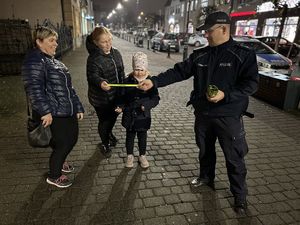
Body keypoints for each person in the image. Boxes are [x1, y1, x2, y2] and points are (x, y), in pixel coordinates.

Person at [139, 11, 259, 214]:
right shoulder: (200, 54)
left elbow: (251, 84)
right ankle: (206, 177)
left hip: (228, 116)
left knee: (234, 157)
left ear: (223, 29)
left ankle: (239, 196)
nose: (206, 35)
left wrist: (225, 95)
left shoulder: (243, 54)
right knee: (205, 150)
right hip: (203, 115)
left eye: (209, 31)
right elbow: (179, 71)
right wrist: (154, 81)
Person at [22, 26, 84, 188]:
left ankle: (60, 161)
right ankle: (54, 175)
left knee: (71, 139)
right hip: (54, 112)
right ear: (39, 42)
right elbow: (34, 88)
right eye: (51, 40)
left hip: (66, 109)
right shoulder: (35, 60)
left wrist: (78, 106)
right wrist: (45, 111)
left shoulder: (54, 61)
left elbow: (69, 88)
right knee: (64, 142)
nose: (56, 43)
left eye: (56, 40)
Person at [115, 52, 160, 168]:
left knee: (142, 137)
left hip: (143, 116)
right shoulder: (127, 81)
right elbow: (122, 97)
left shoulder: (150, 82)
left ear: (146, 69)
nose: (139, 72)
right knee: (129, 136)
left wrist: (147, 105)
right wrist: (121, 107)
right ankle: (129, 155)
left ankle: (142, 155)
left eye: (141, 69)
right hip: (129, 115)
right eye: (136, 69)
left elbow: (155, 98)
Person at [86, 26, 125, 158]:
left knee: (113, 118)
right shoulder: (93, 58)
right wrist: (101, 82)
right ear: (96, 43)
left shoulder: (116, 53)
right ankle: (104, 143)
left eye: (109, 40)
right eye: (104, 42)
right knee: (104, 121)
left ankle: (109, 133)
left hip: (116, 96)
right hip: (100, 98)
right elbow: (92, 76)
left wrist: (125, 86)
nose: (108, 44)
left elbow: (121, 72)